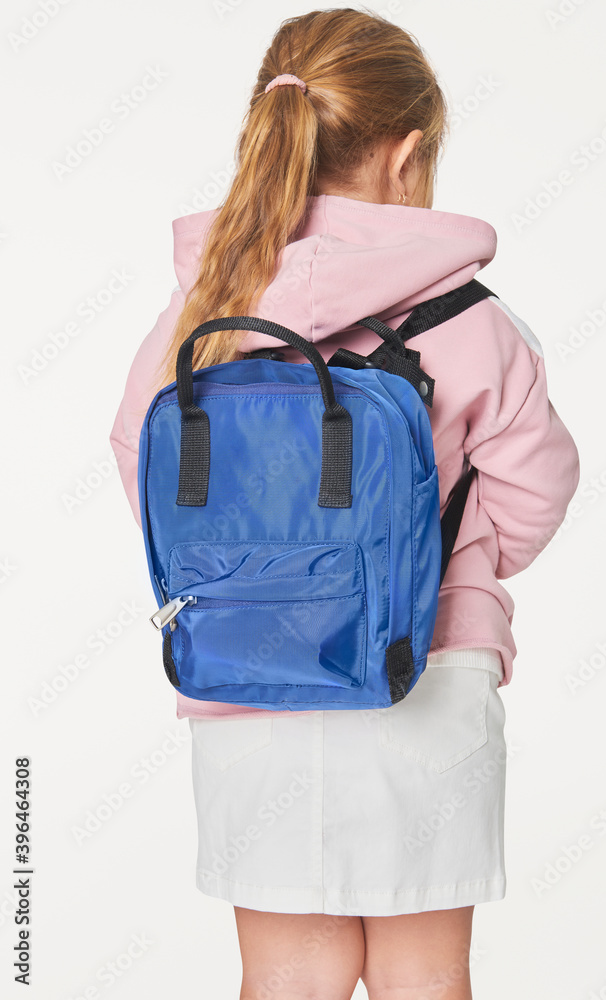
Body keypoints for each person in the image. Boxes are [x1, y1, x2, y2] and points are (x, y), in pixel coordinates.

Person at [109, 7, 580, 999]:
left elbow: (139, 459)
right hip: (425, 670)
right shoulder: (472, 319)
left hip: (246, 675)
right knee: (422, 975)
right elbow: (535, 489)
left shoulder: (198, 312)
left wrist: (250, 566)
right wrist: (457, 569)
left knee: (283, 976)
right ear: (407, 155)